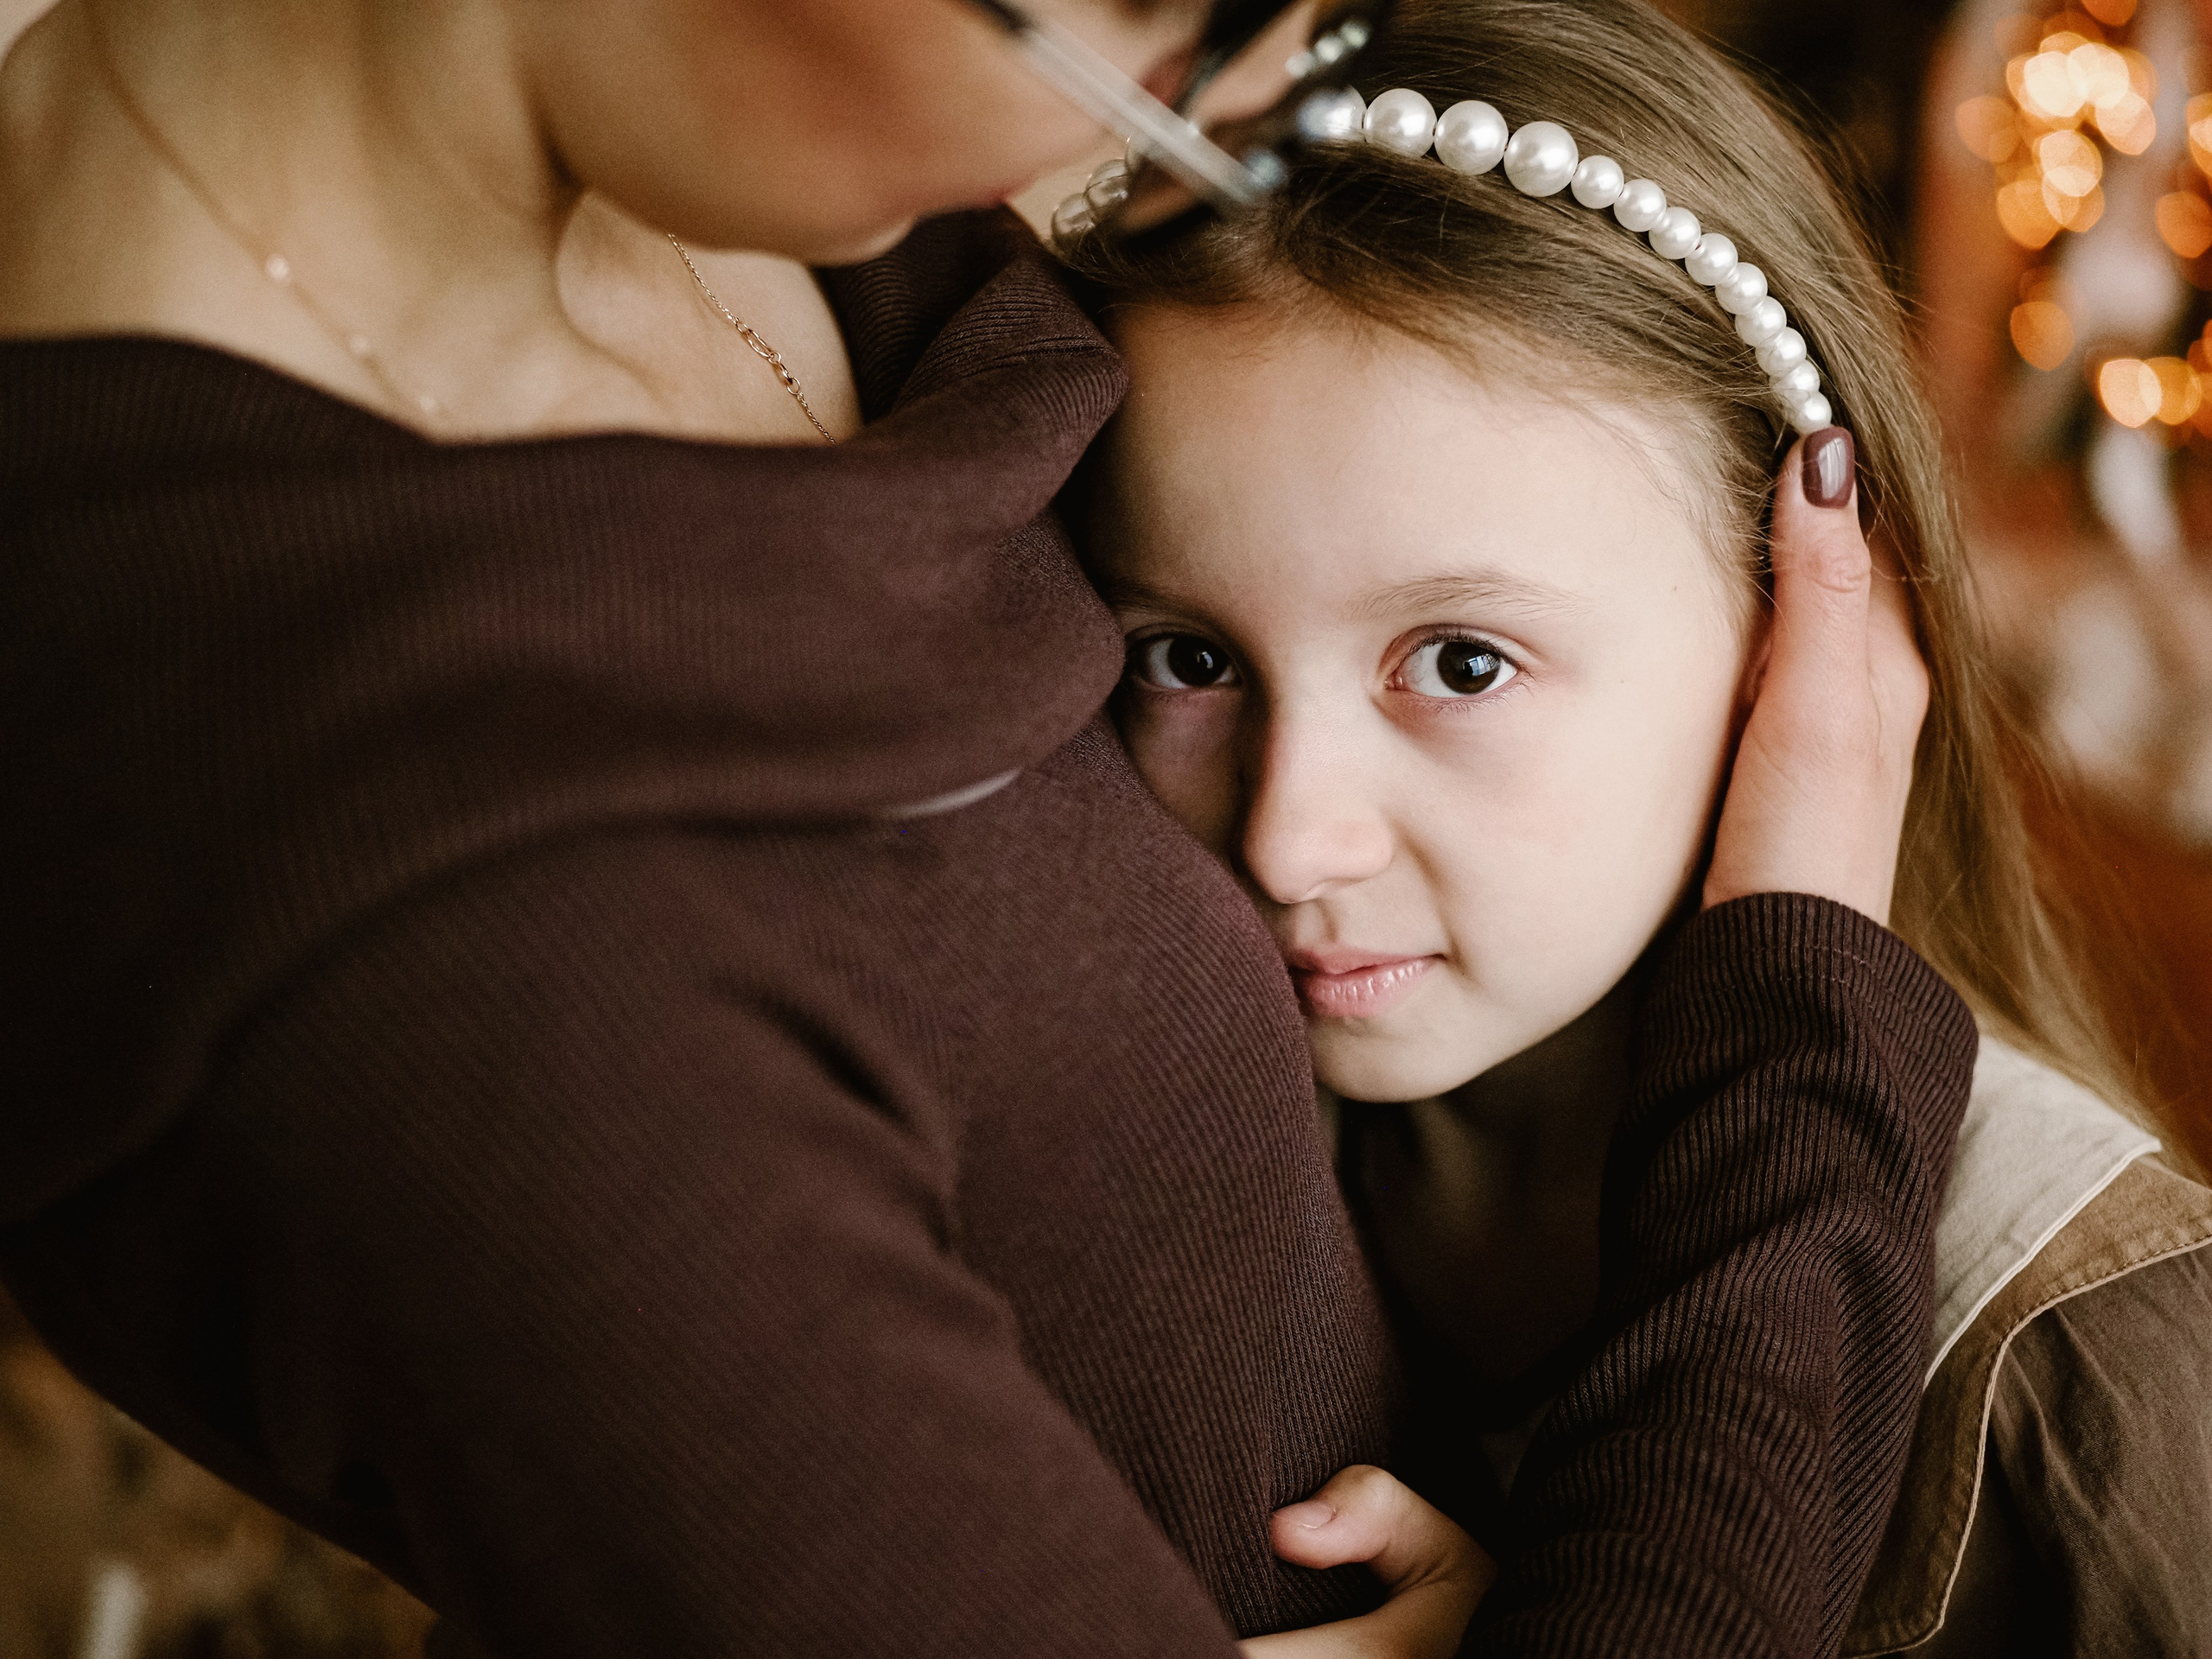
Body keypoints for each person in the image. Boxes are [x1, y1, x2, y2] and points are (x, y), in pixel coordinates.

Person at [1, 0, 1972, 1654]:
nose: (1214, 117)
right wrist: (1804, 1016)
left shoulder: (775, 176)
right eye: (1163, 12)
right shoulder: (419, 948)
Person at [1077, 0, 2212, 1652]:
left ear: (1802, 634)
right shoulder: (1173, 1157)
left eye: (1461, 664)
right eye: (1187, 660)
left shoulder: (2088, 1364)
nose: (1287, 840)